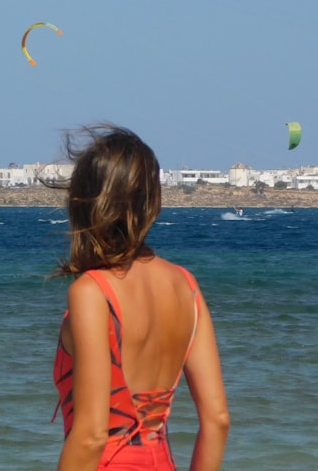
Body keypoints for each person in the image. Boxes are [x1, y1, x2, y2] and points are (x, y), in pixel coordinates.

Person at [49, 125, 229, 470]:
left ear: (85, 203)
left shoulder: (92, 291)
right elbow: (217, 419)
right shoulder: (186, 286)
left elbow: (91, 435)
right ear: (152, 203)